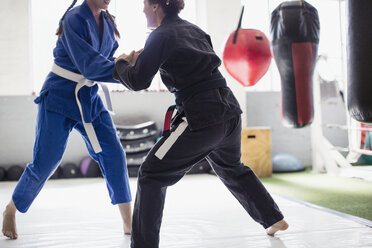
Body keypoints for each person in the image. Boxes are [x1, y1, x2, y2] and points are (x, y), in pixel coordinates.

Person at [113, 0, 288, 247]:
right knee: (230, 165)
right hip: (229, 111)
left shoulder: (160, 35)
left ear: (155, 7)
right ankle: (272, 218)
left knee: (151, 173)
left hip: (201, 116)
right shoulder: (194, 30)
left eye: (144, 4)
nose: (142, 10)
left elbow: (139, 81)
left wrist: (119, 64)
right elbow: (191, 63)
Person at [2, 0, 132, 240]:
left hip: (89, 97)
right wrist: (125, 68)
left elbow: (105, 60)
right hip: (59, 97)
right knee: (46, 162)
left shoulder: (107, 20)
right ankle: (12, 208)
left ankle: (128, 221)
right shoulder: (74, 19)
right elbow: (90, 65)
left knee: (114, 153)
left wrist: (127, 61)